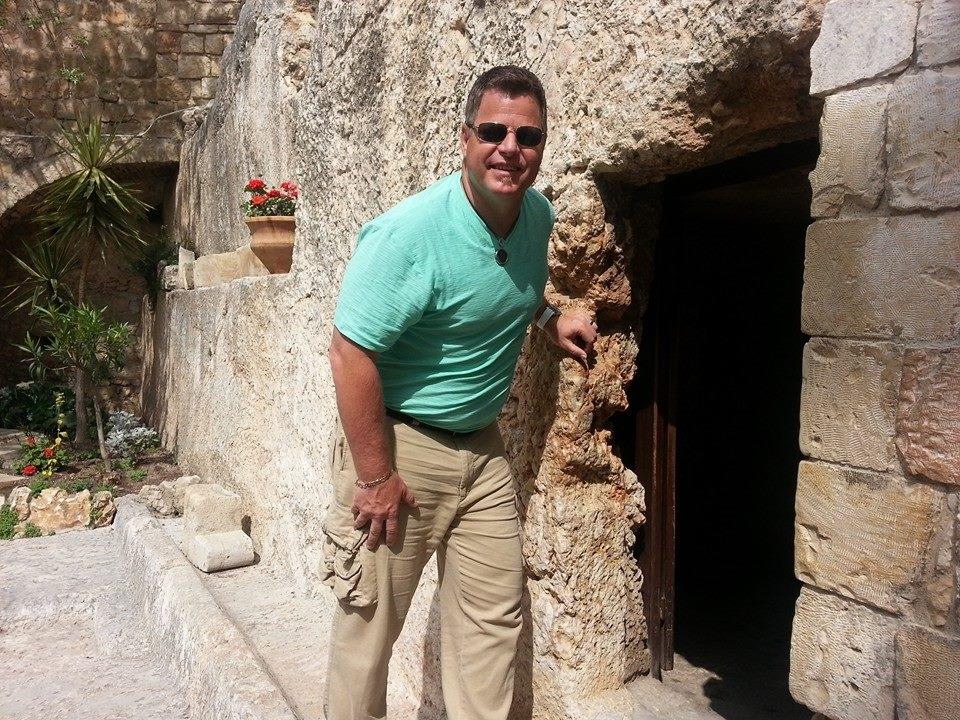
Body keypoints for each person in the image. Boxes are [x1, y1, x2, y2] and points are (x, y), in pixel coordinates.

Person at [322, 65, 597, 720]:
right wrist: (374, 475)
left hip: (484, 455)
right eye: (494, 132)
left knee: (492, 626)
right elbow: (348, 350)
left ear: (543, 144)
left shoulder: (536, 216)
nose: (511, 149)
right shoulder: (409, 234)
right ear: (465, 138)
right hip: (400, 450)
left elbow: (511, 286)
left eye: (528, 136)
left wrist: (549, 318)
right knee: (369, 632)